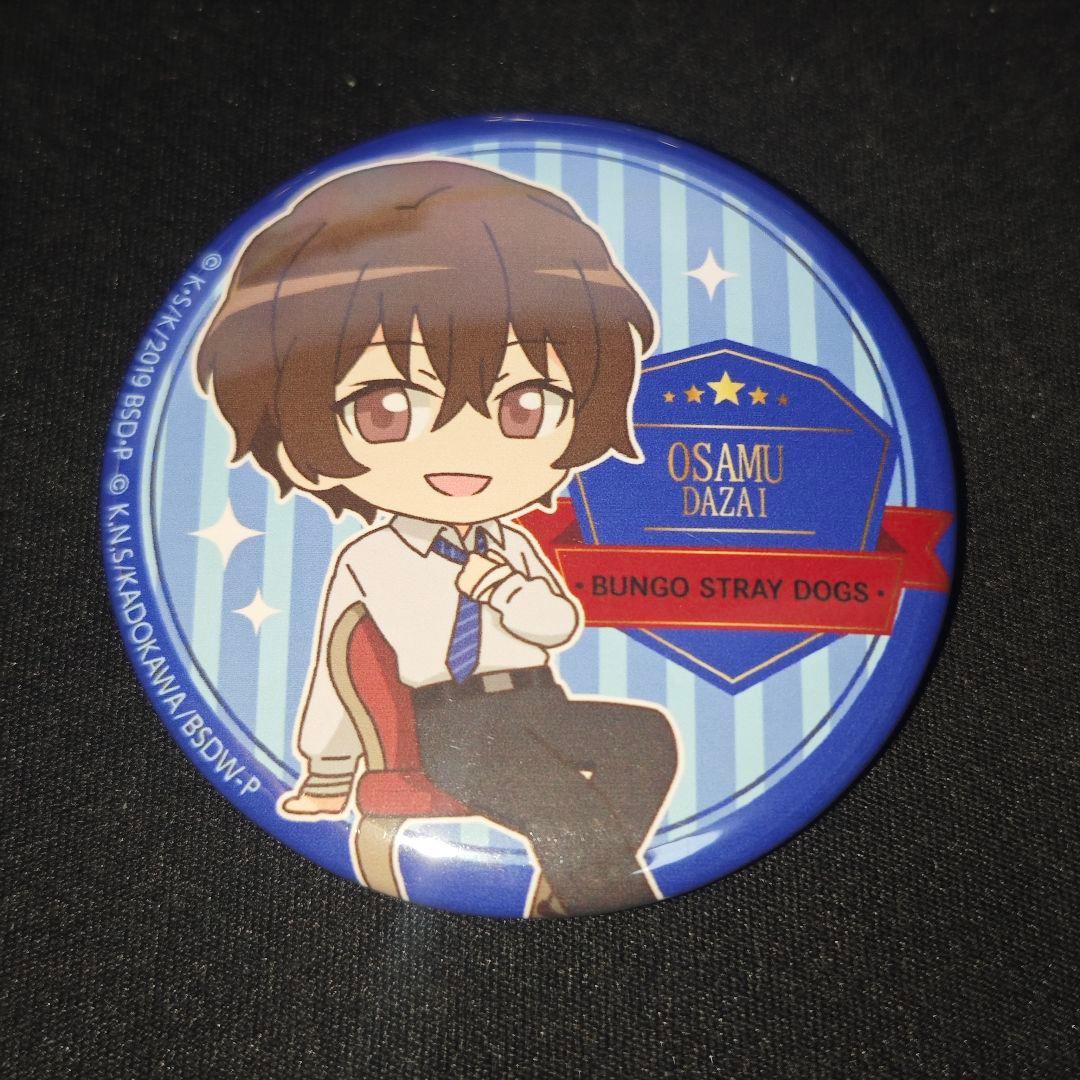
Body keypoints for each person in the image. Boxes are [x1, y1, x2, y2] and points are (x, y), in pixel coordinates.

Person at [195, 158, 678, 916]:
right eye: (387, 409)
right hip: (456, 730)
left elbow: (558, 624)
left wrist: (512, 593)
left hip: (539, 702)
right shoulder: (370, 557)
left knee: (647, 741)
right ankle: (599, 888)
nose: (465, 446)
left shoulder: (508, 543)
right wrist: (326, 769)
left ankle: (566, 891)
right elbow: (339, 660)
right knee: (567, 808)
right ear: (302, 427)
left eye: (525, 406)